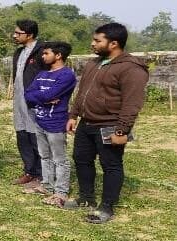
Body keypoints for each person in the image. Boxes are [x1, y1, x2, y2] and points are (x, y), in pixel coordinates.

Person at [65, 23, 148, 224]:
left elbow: (132, 103)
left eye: (97, 40)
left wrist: (122, 130)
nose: (92, 43)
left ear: (114, 43)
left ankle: (106, 207)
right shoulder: (94, 64)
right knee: (81, 160)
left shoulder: (131, 68)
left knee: (111, 165)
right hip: (87, 122)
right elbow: (82, 92)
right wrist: (73, 115)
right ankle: (86, 198)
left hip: (110, 124)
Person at [24, 41, 77, 206]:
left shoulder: (66, 75)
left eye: (46, 53)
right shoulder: (41, 74)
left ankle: (61, 192)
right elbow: (28, 95)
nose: (43, 56)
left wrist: (40, 96)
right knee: (44, 156)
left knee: (59, 159)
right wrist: (44, 98)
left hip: (56, 122)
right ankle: (47, 185)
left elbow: (49, 94)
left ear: (58, 55)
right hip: (40, 120)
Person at [11, 19, 46, 186]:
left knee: (35, 135)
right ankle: (29, 170)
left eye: (18, 33)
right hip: (19, 99)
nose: (14, 35)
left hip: (34, 100)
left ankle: (41, 174)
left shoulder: (42, 51)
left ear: (30, 35)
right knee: (22, 134)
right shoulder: (19, 52)